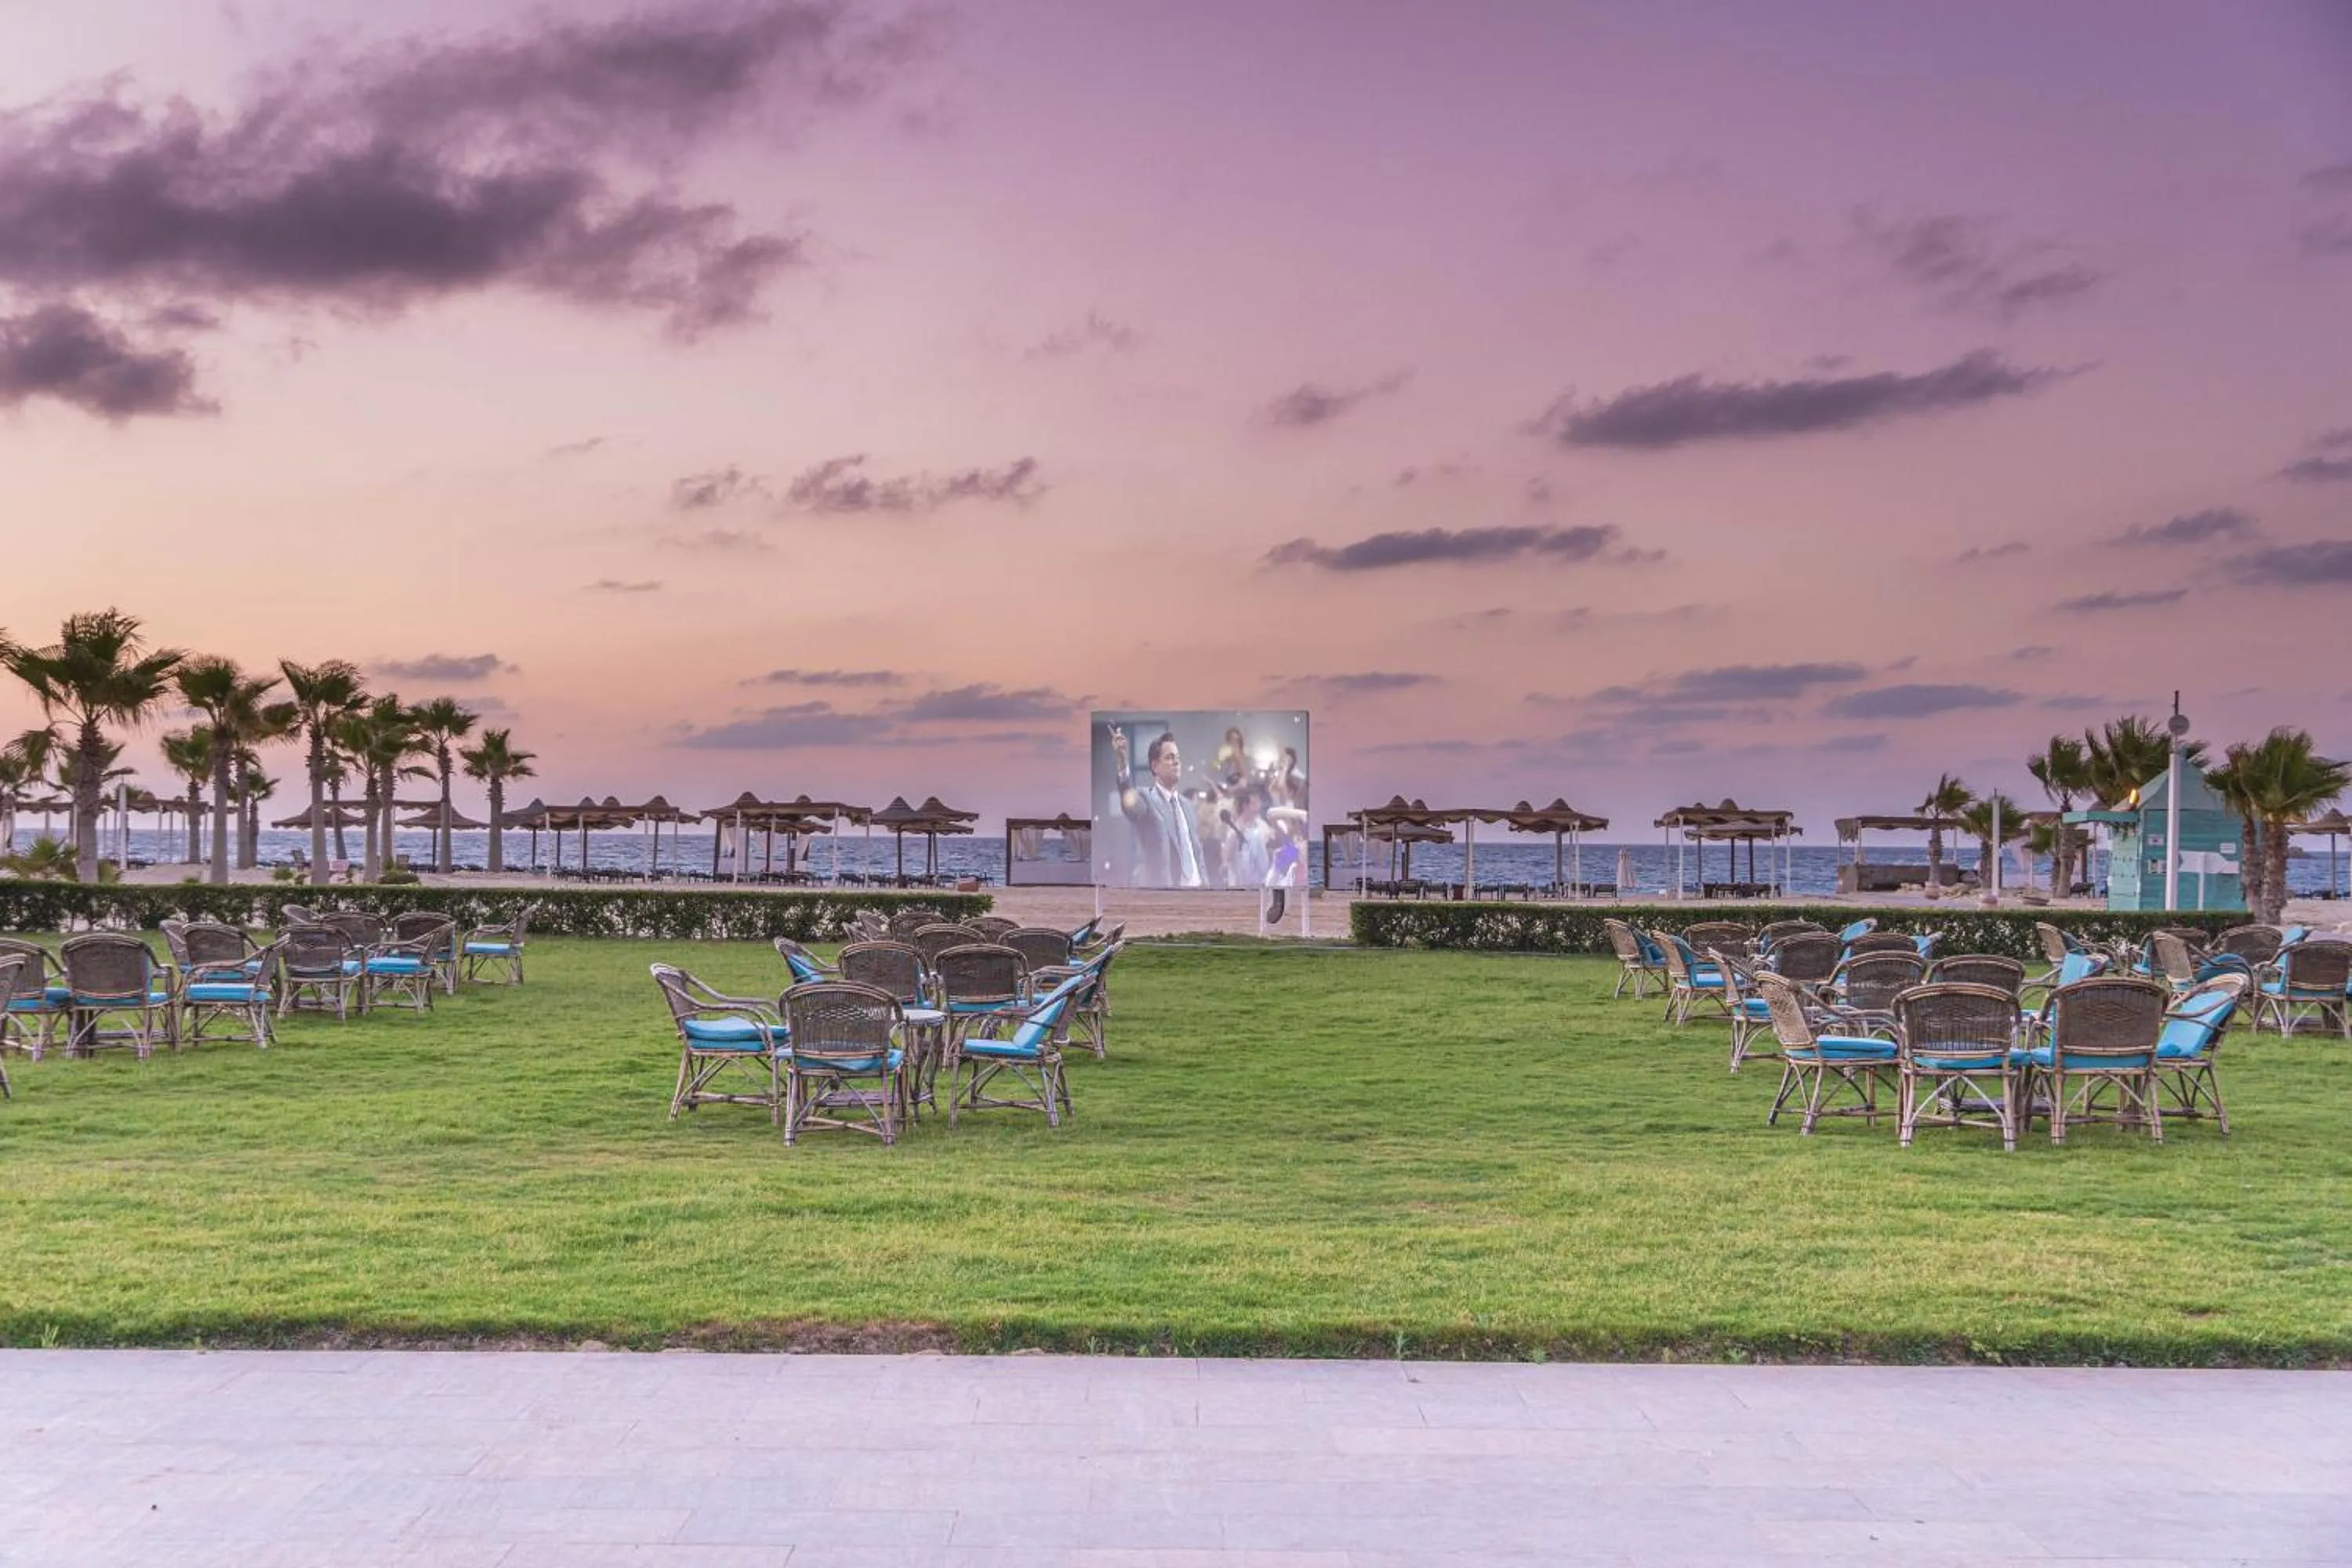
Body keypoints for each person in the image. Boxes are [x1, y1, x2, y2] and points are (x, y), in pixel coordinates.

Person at [1109, 727, 1203, 888]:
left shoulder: (1188, 806)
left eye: (1177, 757)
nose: (1176, 762)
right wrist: (1123, 762)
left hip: (1198, 890)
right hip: (1166, 893)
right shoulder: (1146, 799)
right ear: (1155, 766)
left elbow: (1198, 854)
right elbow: (1130, 804)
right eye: (1170, 758)